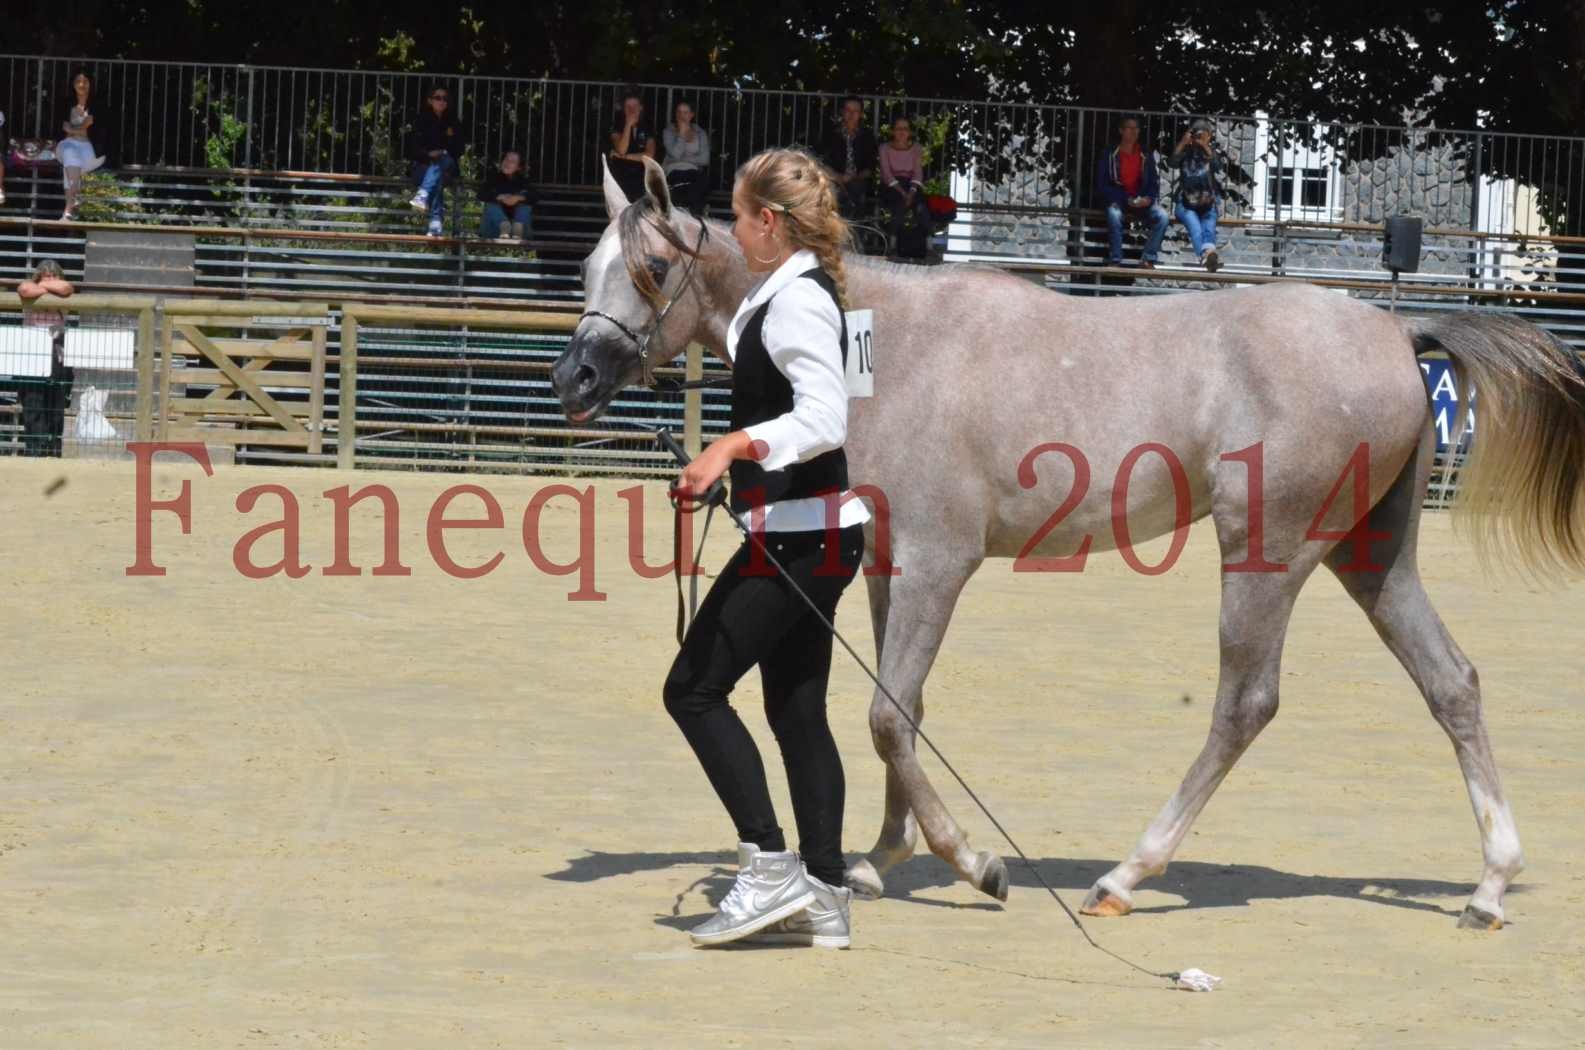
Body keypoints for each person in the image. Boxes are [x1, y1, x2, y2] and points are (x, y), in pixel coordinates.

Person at [665, 147, 871, 949]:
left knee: (692, 690)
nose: (734, 227)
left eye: (743, 214)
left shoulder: (796, 303)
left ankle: (769, 867)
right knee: (796, 712)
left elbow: (825, 419)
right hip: (807, 532)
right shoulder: (785, 292)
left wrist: (730, 449)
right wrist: (731, 471)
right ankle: (824, 894)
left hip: (804, 541)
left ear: (771, 222)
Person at [15, 260, 75, 457]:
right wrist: (47, 288)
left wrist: (41, 287)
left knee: (56, 405)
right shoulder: (30, 288)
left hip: (55, 354)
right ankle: (34, 451)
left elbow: (66, 288)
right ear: (38, 277)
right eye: (45, 276)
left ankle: (53, 451)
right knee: (32, 404)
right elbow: (24, 289)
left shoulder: (63, 292)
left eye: (53, 276)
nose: (50, 279)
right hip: (30, 354)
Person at [1093, 116, 1168, 269]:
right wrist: (1125, 198)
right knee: (1114, 214)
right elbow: (1102, 185)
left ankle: (1148, 259)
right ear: (1121, 131)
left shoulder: (1145, 153)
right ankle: (1115, 260)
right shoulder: (1109, 154)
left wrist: (1148, 198)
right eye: (1130, 128)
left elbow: (1154, 181)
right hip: (1119, 200)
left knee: (1163, 216)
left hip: (1141, 201)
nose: (1134, 132)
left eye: (1136, 128)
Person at [408, 85, 467, 237]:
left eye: (445, 98)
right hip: (423, 167)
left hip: (449, 166)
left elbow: (460, 149)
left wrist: (442, 152)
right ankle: (435, 224)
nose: (442, 101)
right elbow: (412, 149)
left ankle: (423, 195)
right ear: (430, 101)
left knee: (443, 161)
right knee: (436, 176)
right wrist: (429, 154)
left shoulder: (453, 122)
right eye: (438, 98)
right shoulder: (420, 121)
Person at [1169, 118, 1225, 272]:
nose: (1200, 138)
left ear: (1210, 136)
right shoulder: (1185, 152)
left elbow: (1218, 166)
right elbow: (1172, 163)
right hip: (1185, 203)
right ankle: (1208, 254)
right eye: (1197, 135)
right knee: (1196, 228)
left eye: (1204, 135)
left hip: (1207, 203)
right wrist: (1182, 143)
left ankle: (1206, 256)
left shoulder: (1211, 152)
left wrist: (1205, 147)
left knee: (1209, 228)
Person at [56, 70, 111, 221]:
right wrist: (81, 129)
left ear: (91, 84)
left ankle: (68, 208)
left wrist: (74, 130)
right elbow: (64, 130)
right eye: (78, 81)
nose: (81, 85)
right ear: (73, 85)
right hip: (66, 145)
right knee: (69, 151)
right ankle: (72, 203)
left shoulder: (98, 105)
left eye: (85, 81)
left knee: (72, 165)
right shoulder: (65, 103)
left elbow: (91, 132)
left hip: (89, 149)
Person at [877, 114, 931, 256]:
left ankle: (928, 243)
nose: (902, 132)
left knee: (921, 206)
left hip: (911, 184)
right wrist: (902, 192)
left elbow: (918, 173)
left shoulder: (916, 148)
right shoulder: (884, 148)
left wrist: (912, 192)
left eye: (905, 128)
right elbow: (886, 173)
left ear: (910, 132)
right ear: (892, 131)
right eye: (898, 128)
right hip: (892, 185)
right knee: (899, 203)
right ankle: (893, 242)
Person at [818, 96, 878, 219]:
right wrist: (838, 177)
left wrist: (855, 177)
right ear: (842, 112)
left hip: (858, 179)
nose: (851, 114)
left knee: (856, 191)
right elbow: (823, 161)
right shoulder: (831, 134)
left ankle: (852, 233)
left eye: (855, 111)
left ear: (861, 114)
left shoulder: (867, 136)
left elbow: (871, 165)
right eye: (848, 110)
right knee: (834, 194)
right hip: (835, 179)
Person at [661, 99, 711, 215]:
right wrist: (682, 134)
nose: (681, 116)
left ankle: (695, 216)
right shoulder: (668, 132)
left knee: (700, 183)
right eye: (679, 112)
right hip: (674, 170)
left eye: (685, 112)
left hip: (694, 171)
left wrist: (682, 159)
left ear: (692, 115)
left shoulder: (700, 133)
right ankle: (692, 214)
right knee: (682, 185)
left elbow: (705, 160)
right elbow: (675, 154)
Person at [608, 89, 656, 204]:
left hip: (641, 174)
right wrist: (628, 125)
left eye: (635, 106)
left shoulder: (648, 125)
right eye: (628, 106)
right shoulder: (617, 125)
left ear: (641, 108)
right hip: (621, 173)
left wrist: (623, 156)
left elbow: (649, 155)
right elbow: (621, 149)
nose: (631, 110)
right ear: (623, 109)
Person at [477, 150, 538, 242]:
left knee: (525, 207)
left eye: (512, 161)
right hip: (494, 230)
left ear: (518, 167)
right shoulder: (493, 179)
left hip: (520, 232)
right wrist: (499, 197)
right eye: (506, 159)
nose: (507, 163)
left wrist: (517, 198)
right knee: (491, 206)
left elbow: (535, 196)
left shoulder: (523, 182)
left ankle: (517, 230)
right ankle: (504, 226)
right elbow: (480, 194)